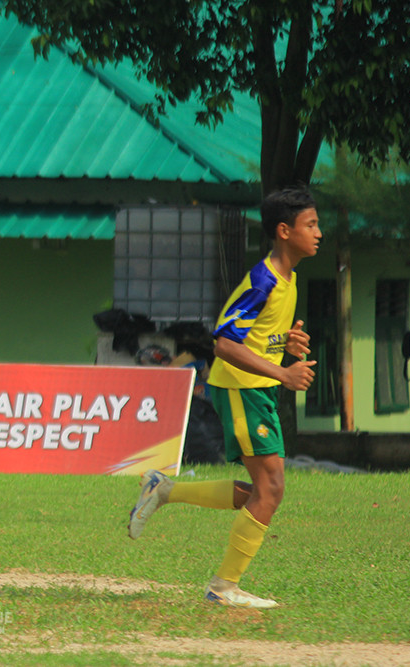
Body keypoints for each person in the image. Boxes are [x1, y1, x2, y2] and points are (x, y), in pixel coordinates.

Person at [128, 186, 321, 609]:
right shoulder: (265, 278)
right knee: (270, 489)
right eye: (311, 224)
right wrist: (284, 373)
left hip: (256, 389)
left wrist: (283, 343)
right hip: (239, 388)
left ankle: (164, 490)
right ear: (285, 231)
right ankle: (223, 587)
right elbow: (224, 343)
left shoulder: (288, 277)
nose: (318, 233)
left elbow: (252, 336)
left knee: (262, 489)